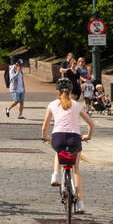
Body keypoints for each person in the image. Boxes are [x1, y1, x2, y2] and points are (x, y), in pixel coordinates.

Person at [41, 78, 96, 213]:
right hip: (74, 139)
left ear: (57, 92)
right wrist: (88, 136)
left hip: (58, 137)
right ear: (71, 91)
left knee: (57, 151)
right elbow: (91, 123)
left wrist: (46, 137)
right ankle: (80, 204)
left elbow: (44, 127)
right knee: (75, 170)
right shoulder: (76, 105)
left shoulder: (52, 104)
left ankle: (56, 175)